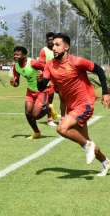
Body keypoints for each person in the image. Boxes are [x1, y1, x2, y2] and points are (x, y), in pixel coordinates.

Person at [38, 33, 110, 176]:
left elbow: (99, 70)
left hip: (85, 103)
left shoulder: (76, 61)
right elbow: (41, 87)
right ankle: (105, 162)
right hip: (72, 107)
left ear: (66, 47)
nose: (54, 48)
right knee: (85, 140)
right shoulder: (49, 65)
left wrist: (106, 93)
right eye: (53, 45)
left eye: (58, 45)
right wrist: (39, 81)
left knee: (61, 128)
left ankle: (88, 146)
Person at [10, 46, 47, 139]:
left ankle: (48, 108)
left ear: (24, 55)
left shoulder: (33, 63)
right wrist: (14, 83)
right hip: (30, 91)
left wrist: (42, 76)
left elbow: (47, 68)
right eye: (14, 54)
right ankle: (37, 133)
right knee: (27, 113)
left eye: (18, 54)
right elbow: (17, 82)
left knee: (35, 115)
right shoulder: (16, 66)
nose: (16, 56)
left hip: (42, 91)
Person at [39, 32, 58, 127]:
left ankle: (63, 117)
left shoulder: (57, 49)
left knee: (64, 98)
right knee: (49, 100)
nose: (50, 41)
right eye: (49, 39)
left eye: (52, 39)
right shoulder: (44, 51)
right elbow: (41, 65)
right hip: (48, 79)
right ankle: (50, 119)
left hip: (58, 78)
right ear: (46, 40)